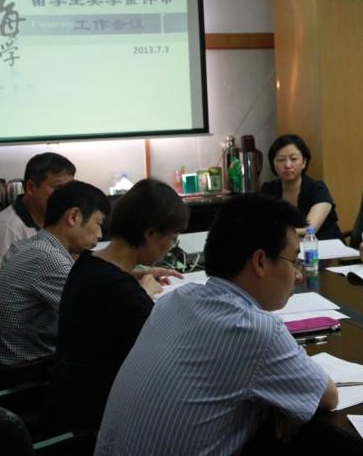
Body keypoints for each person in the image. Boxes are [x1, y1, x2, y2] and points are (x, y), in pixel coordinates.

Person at [95, 193, 343, 455]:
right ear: (260, 262)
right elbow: (327, 396)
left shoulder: (174, 300)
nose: (298, 274)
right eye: (293, 261)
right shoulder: (255, 329)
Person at [41, 178, 188, 435]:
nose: (170, 248)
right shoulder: (120, 292)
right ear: (151, 234)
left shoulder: (86, 264)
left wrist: (136, 277)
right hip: (98, 422)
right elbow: (170, 357)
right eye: (173, 239)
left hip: (69, 406)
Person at [0, 181, 110, 366]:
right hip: (26, 371)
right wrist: (143, 290)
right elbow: (99, 315)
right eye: (98, 223)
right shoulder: (48, 257)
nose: (100, 234)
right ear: (73, 217)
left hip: (1, 364)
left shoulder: (28, 246)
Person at [0, 152, 75, 324]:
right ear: (31, 187)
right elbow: (1, 287)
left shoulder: (53, 219)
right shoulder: (7, 227)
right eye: (58, 189)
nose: (67, 197)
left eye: (70, 189)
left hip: (32, 310)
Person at [260, 134, 343, 240]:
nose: (287, 165)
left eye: (293, 159)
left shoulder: (318, 190)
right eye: (281, 160)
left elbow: (309, 230)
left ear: (304, 162)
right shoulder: (268, 190)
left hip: (325, 247)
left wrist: (273, 232)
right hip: (289, 248)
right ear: (273, 164)